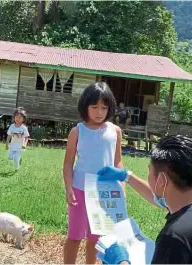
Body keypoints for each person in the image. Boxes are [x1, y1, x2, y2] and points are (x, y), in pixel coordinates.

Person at [97, 135, 192, 264]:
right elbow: (165, 198)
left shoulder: (174, 238)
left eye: (149, 171)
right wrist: (127, 177)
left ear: (161, 180)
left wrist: (121, 261)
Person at [63, 82, 125, 264]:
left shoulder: (115, 131)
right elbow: (68, 163)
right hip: (80, 190)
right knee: (74, 236)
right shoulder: (77, 131)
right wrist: (68, 187)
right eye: (94, 107)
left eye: (104, 107)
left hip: (106, 192)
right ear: (85, 106)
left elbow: (117, 161)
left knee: (96, 237)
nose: (99, 112)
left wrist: (121, 186)